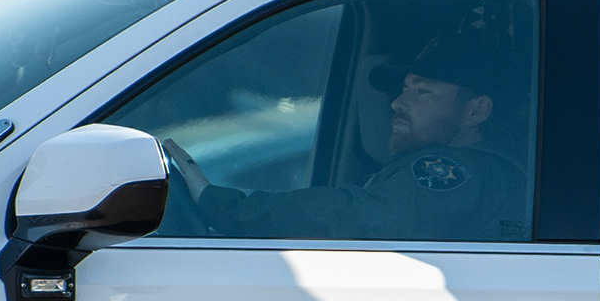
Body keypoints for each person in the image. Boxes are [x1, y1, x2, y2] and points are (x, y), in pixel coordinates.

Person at [163, 32, 532, 242]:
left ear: (476, 111)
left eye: (422, 92)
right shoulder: (496, 169)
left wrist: (221, 205)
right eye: (403, 89)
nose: (398, 103)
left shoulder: (458, 174)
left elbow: (356, 215)